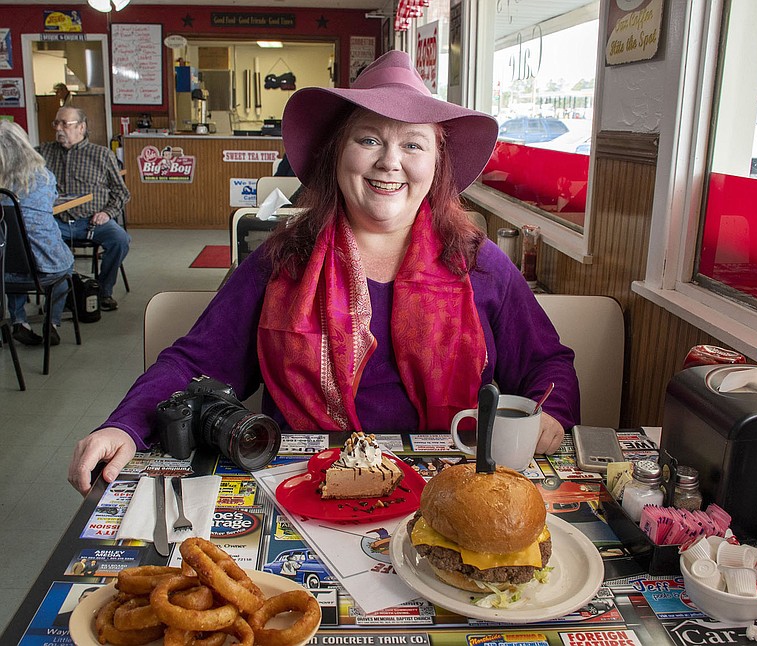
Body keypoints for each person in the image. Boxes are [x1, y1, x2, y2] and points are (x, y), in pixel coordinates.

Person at [67, 51, 580, 496]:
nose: (390, 163)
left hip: (447, 489)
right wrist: (125, 426)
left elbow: (547, 365)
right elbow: (194, 363)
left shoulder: (479, 264)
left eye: (413, 145)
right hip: (305, 485)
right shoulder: (280, 261)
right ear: (338, 152)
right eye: (369, 139)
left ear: (438, 163)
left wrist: (549, 416)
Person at [38, 106, 130, 312]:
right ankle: (56, 296)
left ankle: (103, 291)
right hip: (56, 222)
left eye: (65, 124)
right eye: (56, 123)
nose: (59, 129)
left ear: (81, 127)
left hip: (91, 221)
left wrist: (107, 213)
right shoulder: (43, 153)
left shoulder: (102, 155)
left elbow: (121, 192)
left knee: (120, 240)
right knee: (31, 242)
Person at [0, 120, 75, 346]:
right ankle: (51, 322)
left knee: (11, 256)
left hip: (3, 271)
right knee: (66, 267)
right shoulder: (43, 178)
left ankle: (19, 320)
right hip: (46, 268)